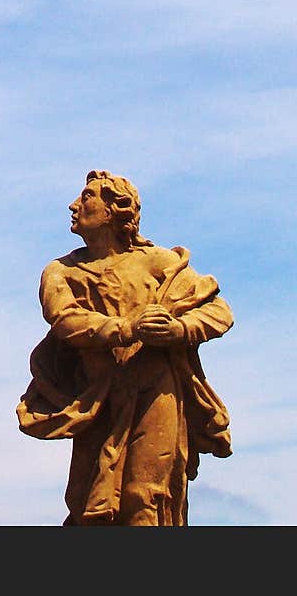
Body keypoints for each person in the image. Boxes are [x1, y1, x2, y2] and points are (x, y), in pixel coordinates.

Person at [16, 170, 233, 527]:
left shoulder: (159, 263)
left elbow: (218, 311)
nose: (74, 205)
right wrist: (127, 327)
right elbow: (65, 320)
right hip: (98, 397)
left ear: (115, 209)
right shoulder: (61, 271)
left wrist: (179, 328)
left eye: (86, 197)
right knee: (90, 503)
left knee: (144, 494)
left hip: (155, 390)